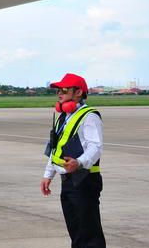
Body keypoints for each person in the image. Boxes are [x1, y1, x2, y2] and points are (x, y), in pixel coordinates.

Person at [41, 73, 105, 248]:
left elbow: (96, 147)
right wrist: (48, 174)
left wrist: (79, 162)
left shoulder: (89, 116)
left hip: (84, 179)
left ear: (78, 92)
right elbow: (56, 148)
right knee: (76, 232)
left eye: (64, 90)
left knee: (89, 234)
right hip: (67, 181)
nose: (59, 94)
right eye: (58, 90)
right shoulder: (64, 116)